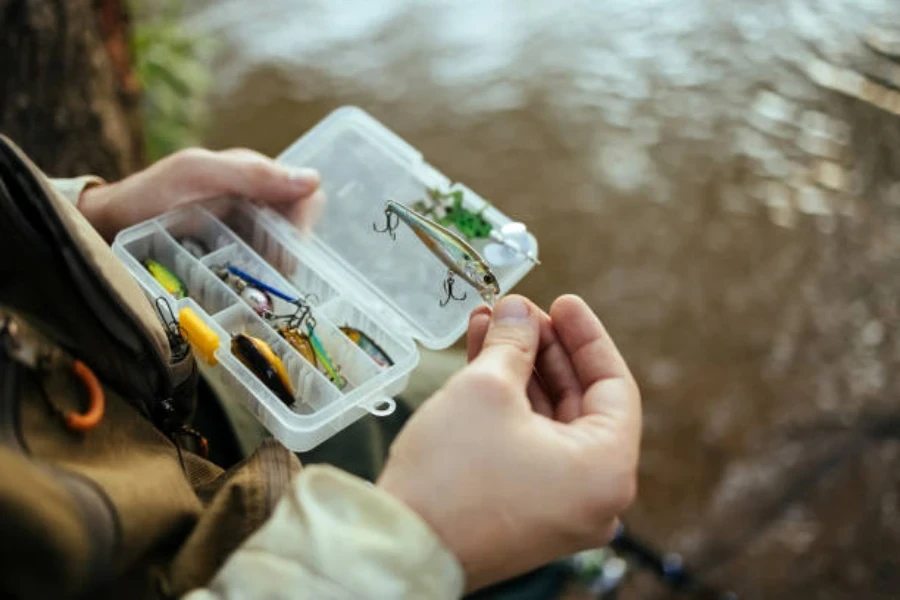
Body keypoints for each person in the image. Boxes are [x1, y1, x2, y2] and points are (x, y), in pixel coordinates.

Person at [32, 147, 642, 598]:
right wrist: (416, 541)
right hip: (176, 530)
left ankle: (550, 564)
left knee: (441, 389)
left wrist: (80, 217)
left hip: (131, 361)